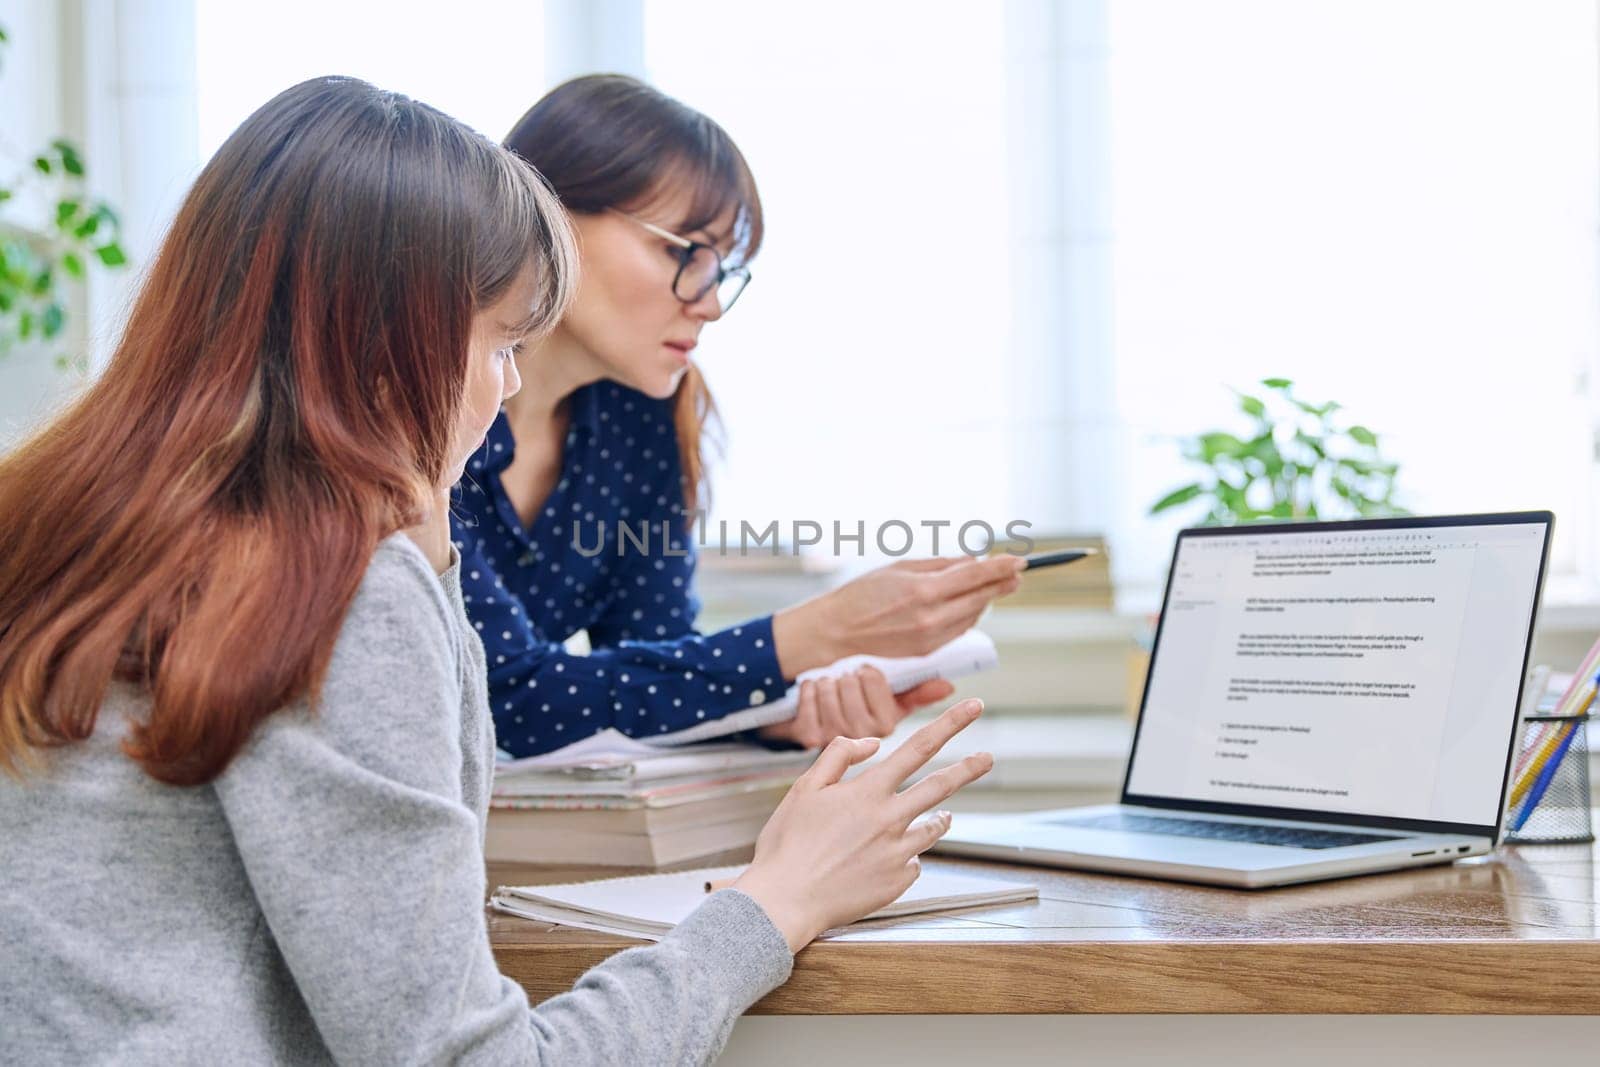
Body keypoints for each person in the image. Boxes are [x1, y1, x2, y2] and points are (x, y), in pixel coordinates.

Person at [0, 77, 994, 1065]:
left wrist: (761, 705)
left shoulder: (89, 514)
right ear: (393, 331)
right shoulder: (332, 577)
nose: (507, 386)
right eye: (502, 341)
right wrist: (777, 899)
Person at [454, 74, 1025, 757]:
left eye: (721, 267)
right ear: (546, 210)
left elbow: (654, 658)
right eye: (682, 250)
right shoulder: (419, 413)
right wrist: (815, 632)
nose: (711, 302)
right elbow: (504, 697)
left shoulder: (640, 417)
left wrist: (771, 714)